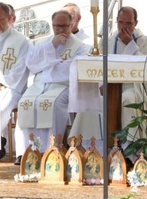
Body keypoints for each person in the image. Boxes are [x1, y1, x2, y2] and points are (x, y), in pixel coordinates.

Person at [70, 6, 147, 148]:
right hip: (107, 86)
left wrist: (131, 45)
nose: (124, 27)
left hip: (134, 87)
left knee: (127, 100)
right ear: (116, 21)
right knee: (90, 103)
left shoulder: (146, 42)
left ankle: (128, 148)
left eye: (129, 24)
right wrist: (100, 85)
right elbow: (95, 67)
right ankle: (92, 147)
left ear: (136, 23)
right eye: (121, 22)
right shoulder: (106, 42)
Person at [14, 10, 90, 163]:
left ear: (71, 25)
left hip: (63, 85)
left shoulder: (81, 47)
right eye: (57, 26)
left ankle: (52, 149)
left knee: (52, 104)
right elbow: (30, 63)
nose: (60, 30)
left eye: (64, 26)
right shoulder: (44, 43)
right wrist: (51, 48)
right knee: (25, 103)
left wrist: (47, 64)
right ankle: (28, 151)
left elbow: (71, 68)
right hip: (40, 84)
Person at [0, 2, 31, 161]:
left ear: (10, 18)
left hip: (11, 88)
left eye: (0, 20)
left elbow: (21, 69)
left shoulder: (22, 41)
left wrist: (0, 84)